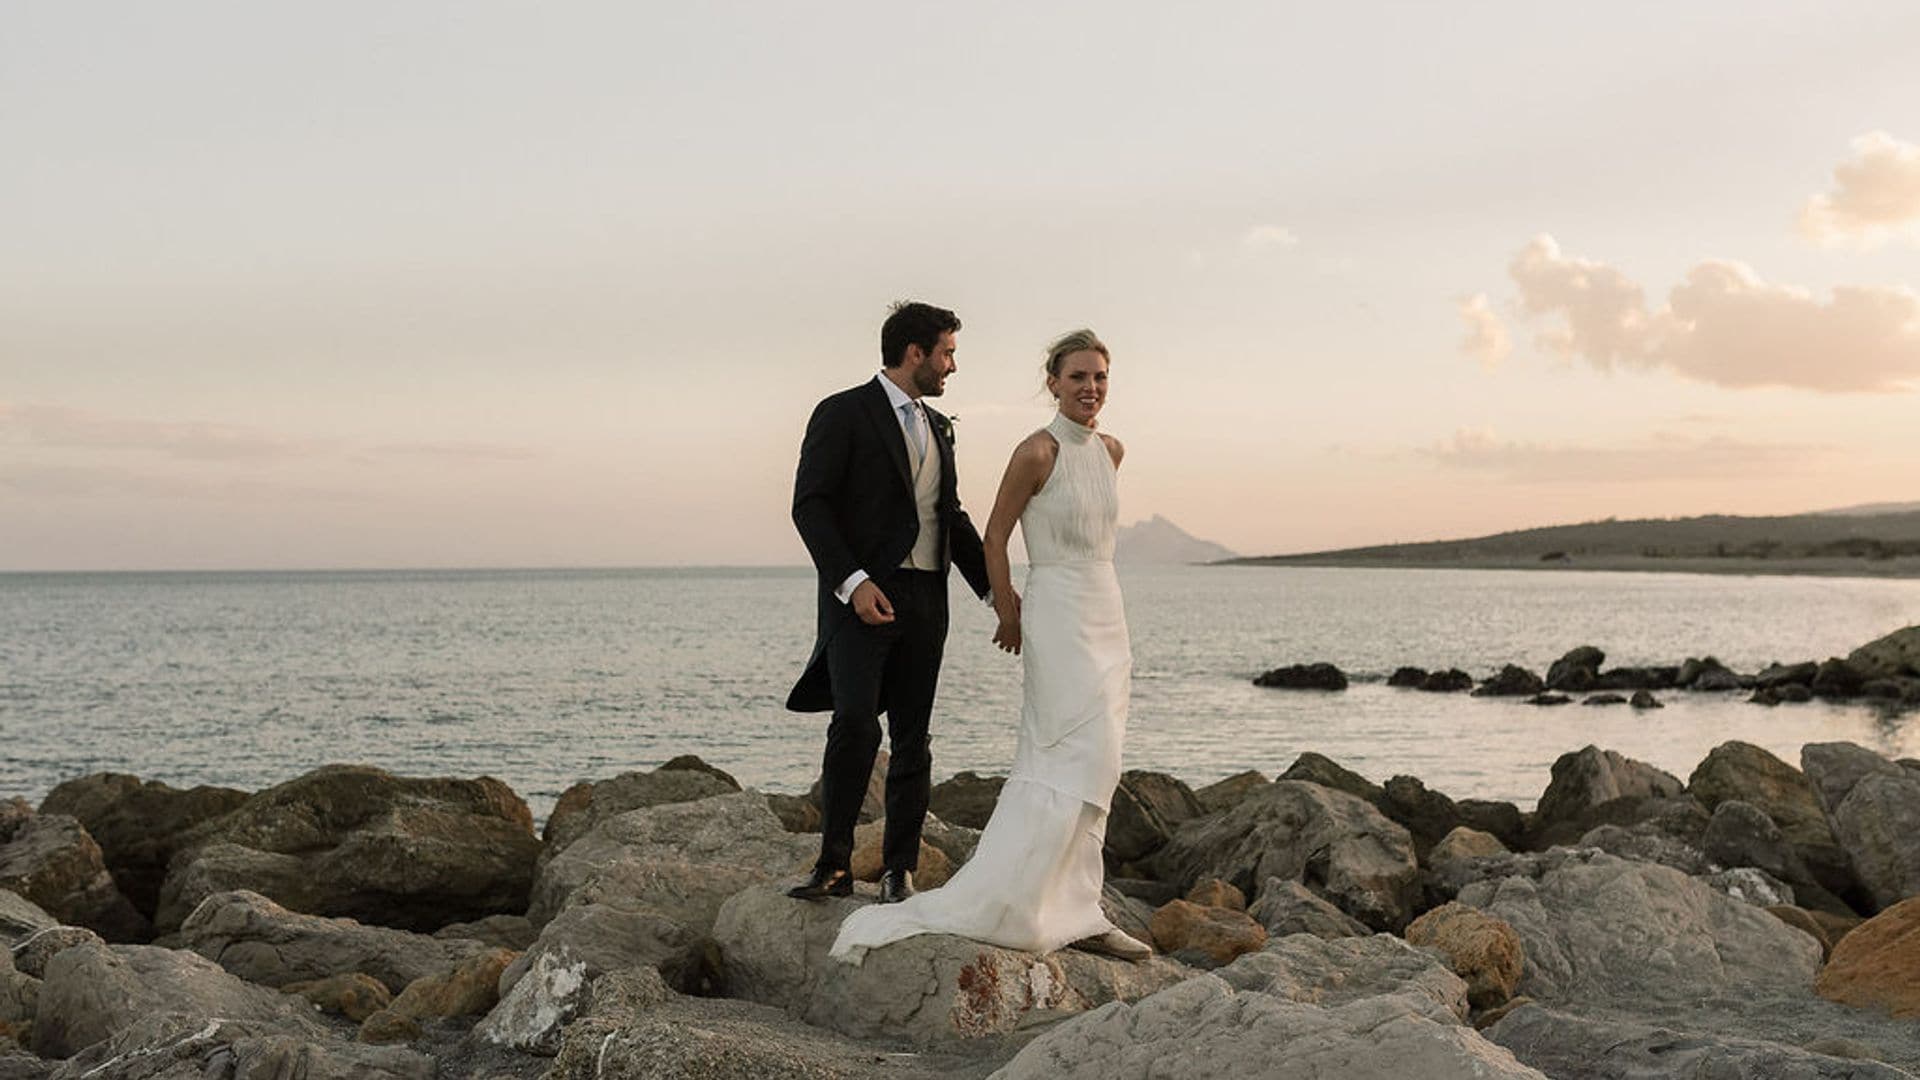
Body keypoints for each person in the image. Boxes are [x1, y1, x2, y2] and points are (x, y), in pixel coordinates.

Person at [829, 328, 1151, 963]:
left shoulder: (1112, 451)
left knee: (1103, 760)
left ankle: (1082, 907)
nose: (1090, 388)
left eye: (1100, 377)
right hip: (1057, 612)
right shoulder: (1036, 451)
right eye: (1078, 377)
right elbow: (996, 534)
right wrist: (1006, 608)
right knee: (1062, 753)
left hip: (1107, 610)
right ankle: (1022, 900)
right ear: (1053, 383)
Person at [786, 301, 992, 905]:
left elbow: (948, 516)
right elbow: (811, 505)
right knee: (853, 724)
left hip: (926, 598)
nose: (952, 366)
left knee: (913, 736)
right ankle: (834, 864)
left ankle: (899, 869)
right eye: (947, 352)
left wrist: (996, 593)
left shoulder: (940, 427)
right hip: (861, 598)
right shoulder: (842, 412)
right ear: (915, 353)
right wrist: (852, 582)